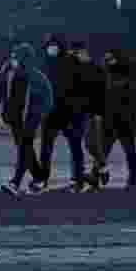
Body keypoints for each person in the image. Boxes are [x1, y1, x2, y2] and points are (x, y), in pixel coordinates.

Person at [0, 43, 54, 195]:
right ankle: (39, 178)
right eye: (12, 57)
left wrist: (39, 115)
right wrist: (2, 72)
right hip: (15, 119)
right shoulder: (10, 74)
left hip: (29, 119)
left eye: (16, 57)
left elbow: (48, 98)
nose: (13, 60)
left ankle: (15, 182)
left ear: (24, 58)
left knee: (24, 148)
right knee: (25, 150)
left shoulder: (36, 77)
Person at [37, 35, 88, 192]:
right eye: (49, 46)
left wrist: (77, 110)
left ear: (60, 47)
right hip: (50, 113)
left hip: (68, 112)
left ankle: (78, 180)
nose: (51, 48)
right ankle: (43, 180)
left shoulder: (71, 62)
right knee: (46, 149)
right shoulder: (44, 63)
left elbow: (80, 87)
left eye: (54, 45)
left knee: (75, 147)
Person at [99, 49, 136, 189]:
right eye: (107, 59)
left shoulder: (128, 73)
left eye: (111, 58)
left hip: (125, 120)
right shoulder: (105, 73)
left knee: (129, 151)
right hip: (110, 120)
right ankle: (98, 176)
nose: (109, 61)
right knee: (103, 151)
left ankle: (133, 178)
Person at [70, 42, 110, 188]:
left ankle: (103, 168)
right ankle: (88, 176)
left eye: (76, 54)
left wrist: (100, 112)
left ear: (83, 53)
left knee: (90, 144)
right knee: (84, 144)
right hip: (81, 112)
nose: (75, 56)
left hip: (94, 112)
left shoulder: (96, 69)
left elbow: (103, 93)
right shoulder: (76, 69)